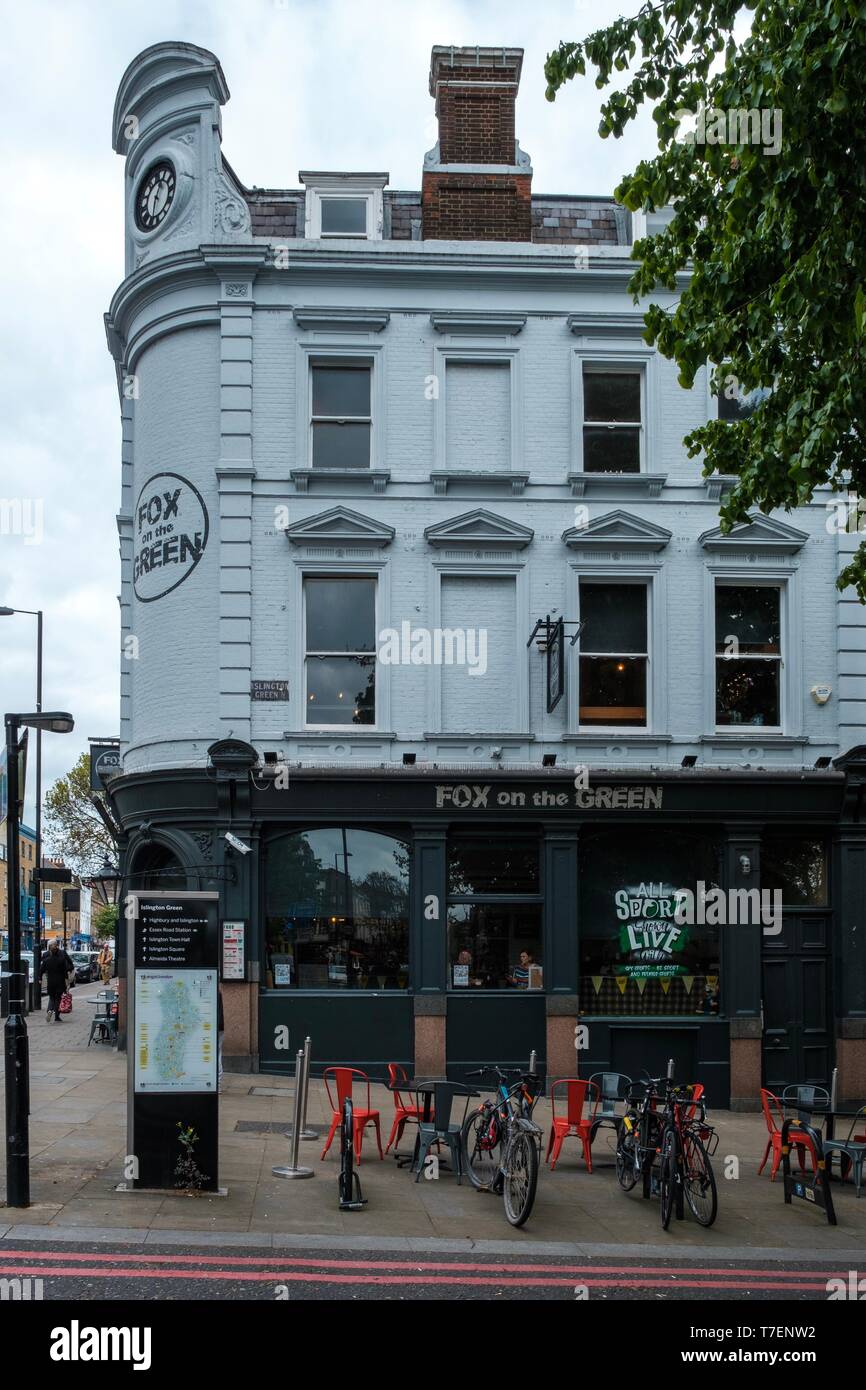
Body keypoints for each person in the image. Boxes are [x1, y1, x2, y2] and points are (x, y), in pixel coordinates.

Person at [43, 940, 74, 1022]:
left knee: (51, 997)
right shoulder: (62, 954)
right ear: (57, 946)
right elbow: (70, 964)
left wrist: (40, 977)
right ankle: (57, 1016)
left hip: (50, 979)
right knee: (58, 998)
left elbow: (43, 967)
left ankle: (50, 1009)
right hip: (61, 979)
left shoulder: (45, 955)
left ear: (48, 946)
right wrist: (68, 972)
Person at [217, 986, 225, 1088]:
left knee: (217, 1053)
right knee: (218, 1053)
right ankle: (217, 1082)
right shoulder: (217, 992)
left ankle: (217, 1083)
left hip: (216, 1028)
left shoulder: (215, 993)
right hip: (219, 1027)